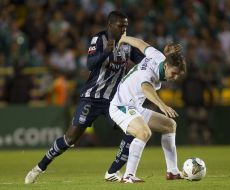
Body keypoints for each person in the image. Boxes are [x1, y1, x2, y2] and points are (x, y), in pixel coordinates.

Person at [24, 10, 144, 184]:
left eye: (126, 26)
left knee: (134, 130)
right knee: (70, 138)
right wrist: (105, 52)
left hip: (114, 100)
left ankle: (113, 171)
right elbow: (90, 64)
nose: (124, 29)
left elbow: (143, 61)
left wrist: (159, 59)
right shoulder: (99, 39)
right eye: (121, 26)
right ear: (110, 25)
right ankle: (40, 167)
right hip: (92, 98)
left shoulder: (128, 44)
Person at [109, 33, 186, 183]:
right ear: (166, 66)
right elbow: (146, 89)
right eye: (174, 73)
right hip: (121, 106)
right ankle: (128, 176)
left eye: (178, 75)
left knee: (170, 125)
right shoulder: (149, 73)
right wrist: (162, 105)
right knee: (144, 133)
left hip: (134, 107)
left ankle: (173, 172)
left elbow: (140, 43)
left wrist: (124, 39)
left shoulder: (158, 56)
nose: (175, 77)